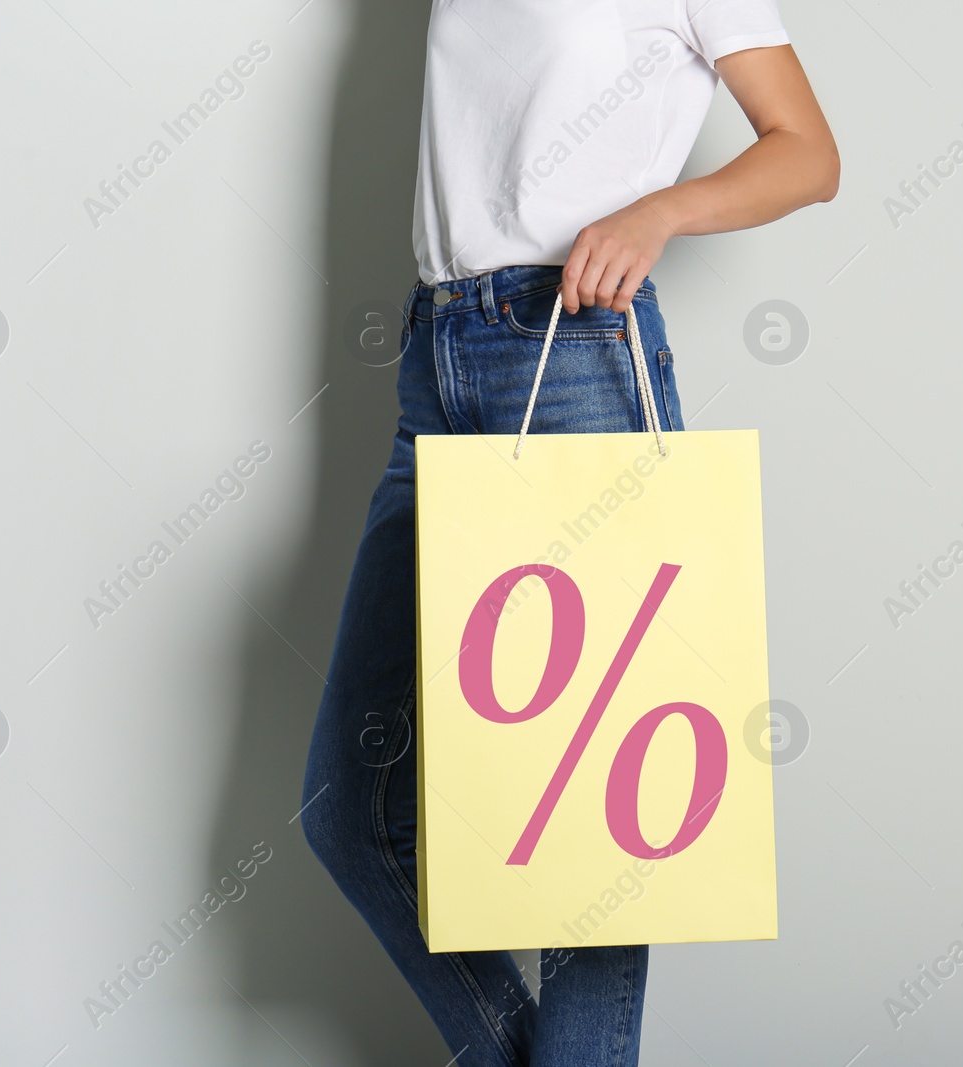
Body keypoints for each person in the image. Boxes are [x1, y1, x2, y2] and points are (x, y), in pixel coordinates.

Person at [300, 3, 837, 1064]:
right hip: (435, 362)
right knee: (350, 809)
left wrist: (661, 213)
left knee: (600, 849)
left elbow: (808, 154)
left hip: (578, 348)